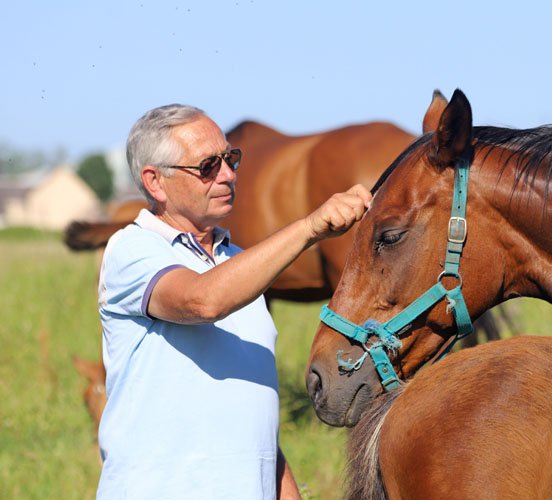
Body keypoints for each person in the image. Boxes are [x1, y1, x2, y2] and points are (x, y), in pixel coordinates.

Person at [96, 104, 372, 499]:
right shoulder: (133, 249)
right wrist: (310, 227)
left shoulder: (236, 262)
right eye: (208, 166)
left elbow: (253, 419)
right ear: (155, 182)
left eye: (231, 158)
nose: (228, 175)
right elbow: (201, 301)